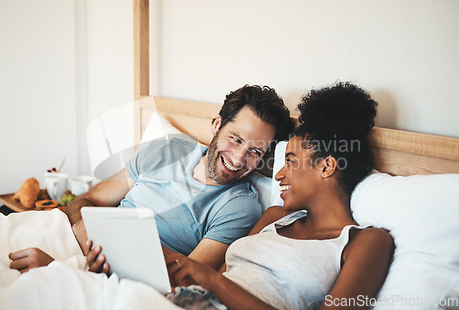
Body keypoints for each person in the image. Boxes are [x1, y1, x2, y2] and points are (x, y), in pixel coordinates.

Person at [8, 85, 294, 274]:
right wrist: (86, 234)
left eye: (255, 151)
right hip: (80, 243)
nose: (239, 158)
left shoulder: (239, 207)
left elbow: (187, 278)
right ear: (217, 125)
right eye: (235, 139)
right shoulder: (167, 149)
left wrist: (66, 269)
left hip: (115, 276)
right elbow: (89, 200)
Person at [162, 81, 394, 310]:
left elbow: (216, 282)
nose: (279, 175)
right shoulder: (274, 217)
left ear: (326, 167)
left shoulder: (366, 242)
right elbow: (213, 284)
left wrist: (213, 280)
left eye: (290, 161)